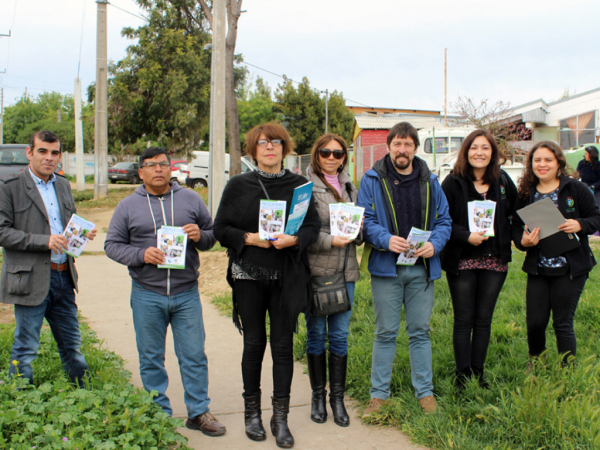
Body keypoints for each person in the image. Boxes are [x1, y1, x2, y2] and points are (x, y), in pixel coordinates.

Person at [104, 147, 226, 437]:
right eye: (151, 165)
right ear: (141, 172)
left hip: (186, 293)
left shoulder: (191, 198)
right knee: (150, 358)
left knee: (194, 355)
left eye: (163, 164)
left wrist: (200, 236)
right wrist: (141, 254)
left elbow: (212, 235)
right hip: (147, 293)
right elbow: (111, 245)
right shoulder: (127, 206)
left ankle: (198, 412)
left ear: (171, 169)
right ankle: (159, 416)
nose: (158, 169)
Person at [213, 123, 320, 448]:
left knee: (283, 347)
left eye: (276, 142)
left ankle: (280, 417)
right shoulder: (238, 185)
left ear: (285, 147)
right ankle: (252, 414)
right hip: (248, 274)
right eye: (262, 143)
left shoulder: (300, 184)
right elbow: (220, 228)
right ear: (253, 148)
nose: (270, 147)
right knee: (254, 345)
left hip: (286, 276)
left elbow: (313, 225)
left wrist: (296, 239)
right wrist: (248, 239)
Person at [357, 122, 451, 416]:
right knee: (385, 332)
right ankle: (379, 394)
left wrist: (434, 244)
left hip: (422, 270)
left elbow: (444, 221)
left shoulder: (430, 181)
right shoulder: (372, 180)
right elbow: (365, 220)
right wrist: (385, 240)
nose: (402, 149)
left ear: (415, 148)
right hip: (387, 269)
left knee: (420, 332)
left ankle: (425, 392)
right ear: (389, 146)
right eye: (397, 143)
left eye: (408, 144)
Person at [0, 130, 97, 386]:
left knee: (72, 344)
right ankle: (21, 398)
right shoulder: (10, 187)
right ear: (29, 153)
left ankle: (84, 394)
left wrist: (83, 232)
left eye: (54, 153)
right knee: (26, 346)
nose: (49, 158)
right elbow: (2, 232)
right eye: (42, 151)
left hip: (64, 276)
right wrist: (44, 241)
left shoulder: (63, 184)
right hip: (31, 278)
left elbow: (68, 224)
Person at [440, 130, 518, 390]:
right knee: (464, 319)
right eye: (474, 147)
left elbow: (517, 215)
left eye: (485, 148)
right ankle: (462, 375)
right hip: (462, 259)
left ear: (493, 153)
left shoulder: (503, 181)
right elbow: (441, 221)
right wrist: (465, 236)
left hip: (495, 260)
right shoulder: (452, 182)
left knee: (484, 319)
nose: (480, 153)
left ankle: (478, 372)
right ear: (466, 151)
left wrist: (524, 237)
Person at [512, 141, 600, 366]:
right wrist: (523, 241)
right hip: (539, 268)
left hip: (570, 268)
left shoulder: (575, 188)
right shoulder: (525, 193)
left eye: (548, 160)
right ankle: (537, 363)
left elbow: (596, 217)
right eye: (537, 160)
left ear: (559, 162)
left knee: (562, 323)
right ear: (531, 164)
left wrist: (579, 225)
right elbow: (515, 227)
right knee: (535, 323)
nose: (542, 164)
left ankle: (567, 372)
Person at [304, 133, 362, 427]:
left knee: (339, 336)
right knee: (316, 334)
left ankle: (337, 399)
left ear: (344, 157)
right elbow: (300, 233)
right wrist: (330, 241)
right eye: (325, 152)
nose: (331, 158)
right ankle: (317, 396)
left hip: (347, 271)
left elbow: (358, 235)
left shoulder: (351, 188)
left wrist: (358, 230)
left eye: (337, 153)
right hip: (317, 272)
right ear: (316, 154)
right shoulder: (305, 188)